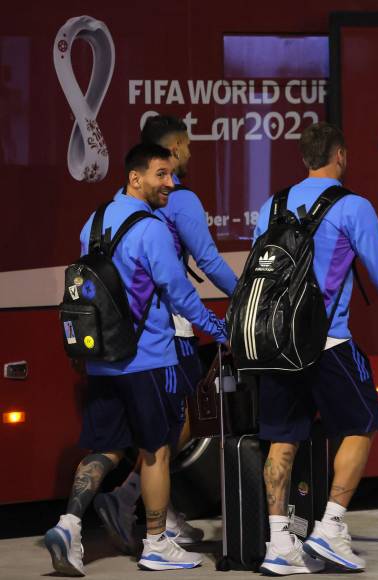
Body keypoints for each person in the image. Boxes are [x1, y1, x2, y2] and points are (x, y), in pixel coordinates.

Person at [44, 143, 228, 575]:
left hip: (102, 359)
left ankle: (68, 525)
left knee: (105, 447)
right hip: (148, 360)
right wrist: (218, 329)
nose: (171, 183)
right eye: (162, 175)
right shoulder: (152, 230)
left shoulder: (94, 222)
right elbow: (178, 293)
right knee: (155, 452)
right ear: (135, 177)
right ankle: (156, 542)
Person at [93, 115, 238, 549]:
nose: (190, 154)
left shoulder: (122, 203)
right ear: (171, 149)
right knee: (177, 424)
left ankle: (159, 511)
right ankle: (135, 503)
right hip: (170, 327)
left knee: (159, 425)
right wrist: (248, 297)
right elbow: (207, 262)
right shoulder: (181, 200)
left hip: (124, 335)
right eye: (186, 146)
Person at [255, 122, 378, 576]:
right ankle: (330, 527)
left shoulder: (270, 206)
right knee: (363, 421)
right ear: (341, 156)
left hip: (273, 344)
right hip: (328, 341)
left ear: (304, 157)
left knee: (282, 439)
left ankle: (278, 546)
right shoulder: (354, 206)